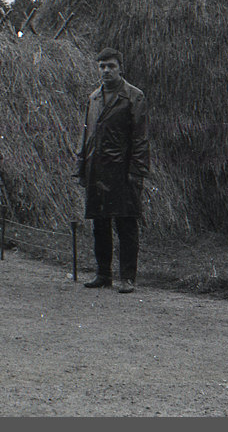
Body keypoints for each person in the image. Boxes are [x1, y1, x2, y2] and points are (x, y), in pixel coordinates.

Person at [75, 47, 149, 294]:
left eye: (111, 66)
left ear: (121, 68)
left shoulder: (133, 97)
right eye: (102, 66)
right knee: (100, 224)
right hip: (97, 170)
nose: (106, 71)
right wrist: (81, 167)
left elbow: (140, 138)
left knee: (126, 225)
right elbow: (86, 135)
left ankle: (128, 278)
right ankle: (103, 274)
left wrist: (136, 171)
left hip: (122, 171)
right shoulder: (94, 97)